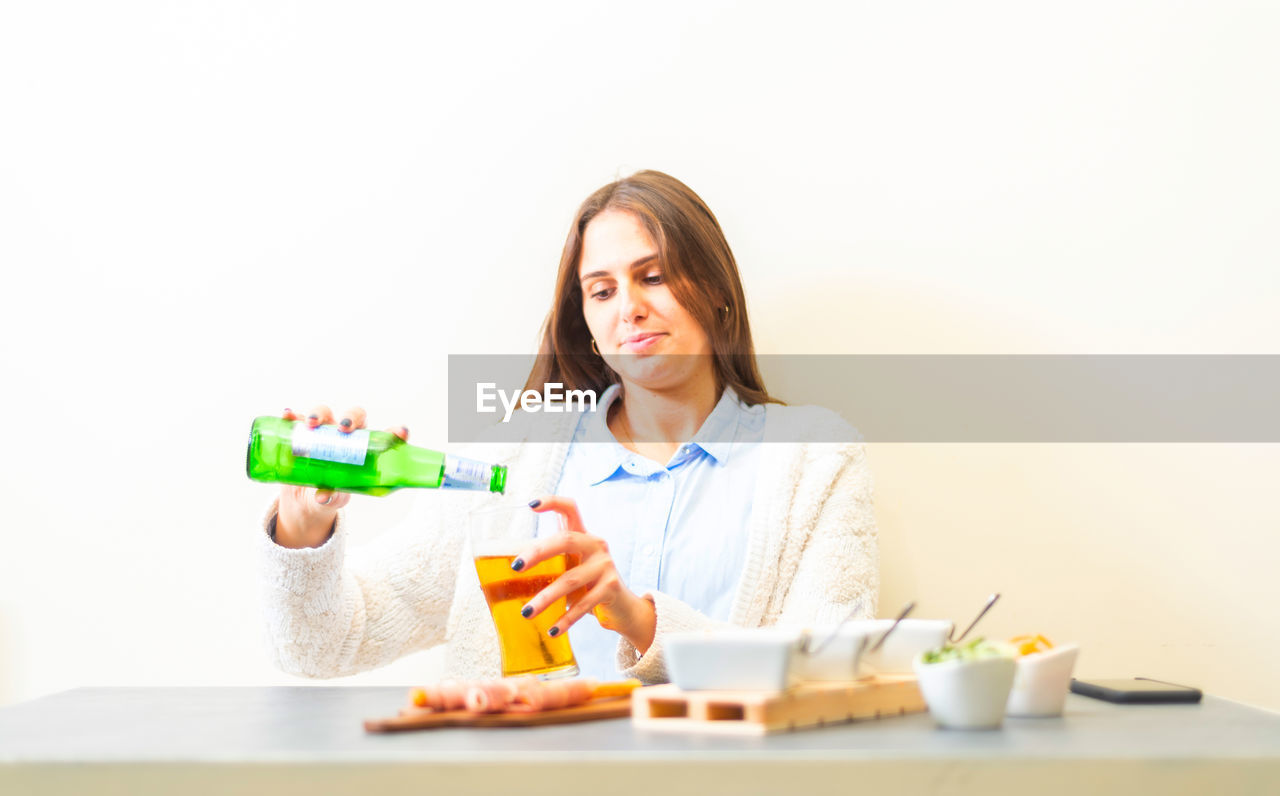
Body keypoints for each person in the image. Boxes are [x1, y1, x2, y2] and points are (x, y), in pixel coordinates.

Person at [260, 170, 878, 684]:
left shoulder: (815, 457)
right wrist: (303, 526)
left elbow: (830, 670)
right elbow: (322, 646)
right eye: (601, 290)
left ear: (716, 287)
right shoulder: (514, 461)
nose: (629, 307)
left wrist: (640, 620)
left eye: (653, 276)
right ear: (585, 320)